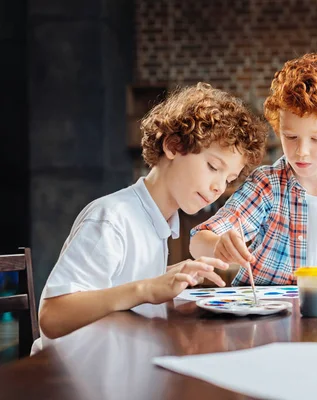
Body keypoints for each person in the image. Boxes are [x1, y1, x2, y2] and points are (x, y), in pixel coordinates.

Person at [34, 83, 269, 351]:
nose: (219, 187)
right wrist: (146, 289)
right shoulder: (111, 218)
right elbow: (52, 317)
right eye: (213, 167)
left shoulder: (159, 222)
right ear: (173, 146)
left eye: (228, 179)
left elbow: (115, 284)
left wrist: (171, 275)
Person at [190, 53, 317, 285]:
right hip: (272, 318)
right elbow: (198, 240)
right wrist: (217, 244)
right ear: (279, 128)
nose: (301, 151)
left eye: (316, 139)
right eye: (291, 136)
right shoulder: (267, 185)